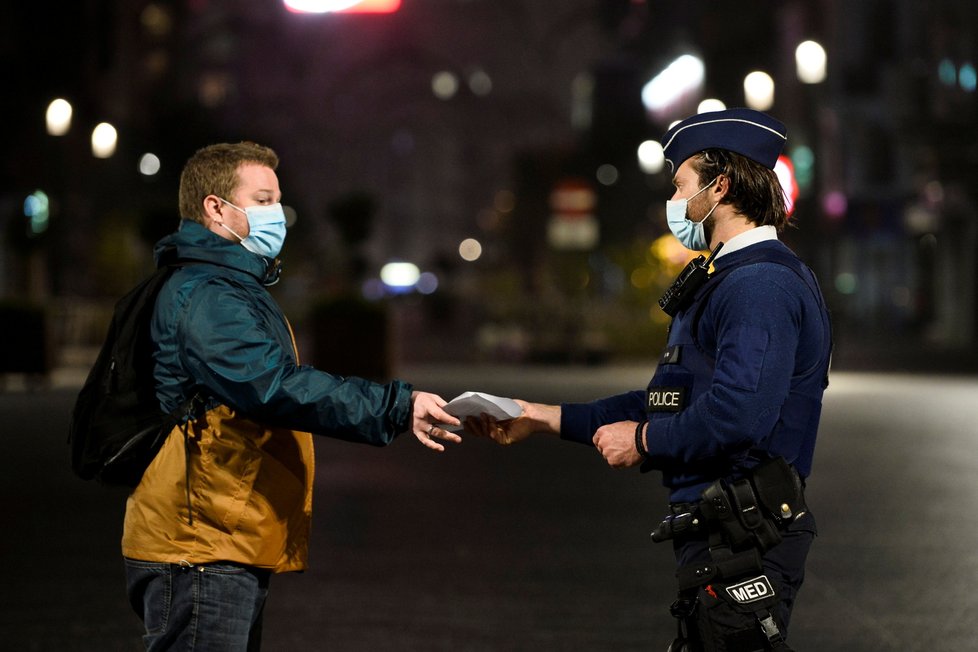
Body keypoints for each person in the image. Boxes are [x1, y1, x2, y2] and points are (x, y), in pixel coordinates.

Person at [468, 108, 832, 651]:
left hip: (747, 537)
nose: (675, 199)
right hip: (719, 532)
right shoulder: (726, 278)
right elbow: (670, 400)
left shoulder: (759, 286)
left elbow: (738, 414)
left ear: (720, 185)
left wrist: (641, 441)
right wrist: (541, 418)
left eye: (681, 184)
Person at [122, 141, 462, 651]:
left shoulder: (225, 284)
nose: (276, 214)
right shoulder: (209, 294)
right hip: (201, 540)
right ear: (215, 207)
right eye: (261, 200)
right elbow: (273, 386)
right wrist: (396, 405)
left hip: (219, 531)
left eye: (276, 201)